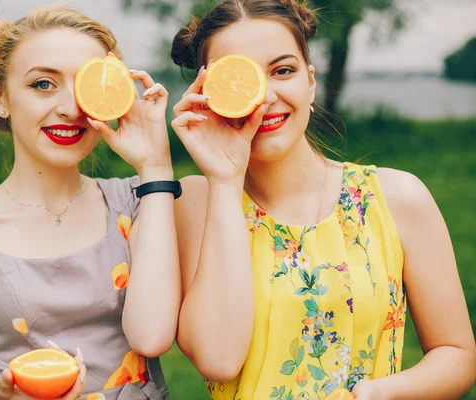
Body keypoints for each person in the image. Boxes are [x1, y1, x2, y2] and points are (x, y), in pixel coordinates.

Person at [169, 0, 476, 399]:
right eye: (238, 79)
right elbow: (218, 359)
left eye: (283, 71)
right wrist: (225, 181)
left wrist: (380, 393)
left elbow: (457, 355)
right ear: (206, 94)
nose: (264, 97)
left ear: (310, 81)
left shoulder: (398, 197)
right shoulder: (194, 202)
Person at [0, 6, 180, 400]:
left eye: (87, 86)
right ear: (0, 97)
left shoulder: (141, 203)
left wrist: (155, 164)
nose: (71, 108)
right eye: (43, 84)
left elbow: (154, 336)